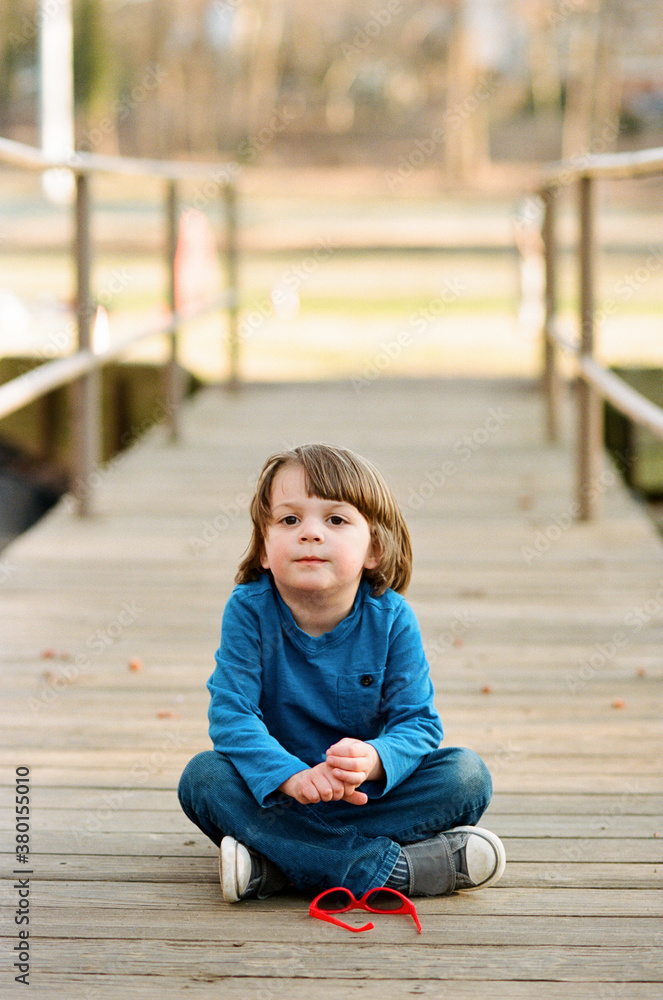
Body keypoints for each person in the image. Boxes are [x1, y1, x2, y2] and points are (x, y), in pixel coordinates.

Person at [178, 443, 506, 903]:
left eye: (335, 520)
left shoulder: (391, 618)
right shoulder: (249, 611)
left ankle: (278, 863)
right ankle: (394, 871)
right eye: (289, 520)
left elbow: (418, 723)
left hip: (366, 797)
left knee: (466, 776)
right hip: (279, 795)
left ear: (374, 548)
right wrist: (292, 777)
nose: (310, 533)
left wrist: (373, 758)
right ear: (264, 549)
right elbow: (233, 717)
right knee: (205, 779)